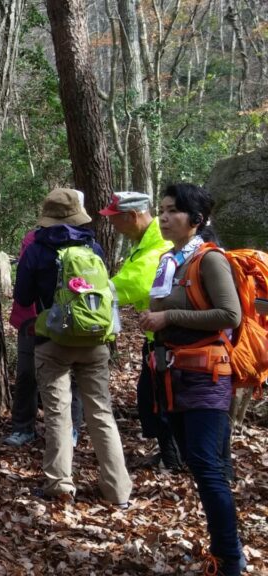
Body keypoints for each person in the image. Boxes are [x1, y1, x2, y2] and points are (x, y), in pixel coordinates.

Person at [140, 183, 246, 575]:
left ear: (196, 220)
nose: (163, 217)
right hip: (173, 374)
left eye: (172, 211)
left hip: (206, 375)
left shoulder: (209, 260)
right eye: (161, 210)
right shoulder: (171, 260)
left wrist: (169, 317)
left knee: (207, 467)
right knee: (196, 464)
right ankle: (226, 547)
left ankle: (229, 560)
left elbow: (229, 315)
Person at [13, 188, 132, 506]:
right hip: (95, 342)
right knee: (101, 414)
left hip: (52, 343)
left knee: (58, 414)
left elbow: (23, 297)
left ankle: (60, 484)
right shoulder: (92, 246)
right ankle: (118, 489)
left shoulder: (37, 250)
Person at [99, 191, 181, 471]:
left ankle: (175, 460)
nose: (113, 227)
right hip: (156, 340)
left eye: (115, 220)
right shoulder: (147, 242)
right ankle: (172, 455)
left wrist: (86, 291)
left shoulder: (158, 248)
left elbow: (125, 286)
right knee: (152, 398)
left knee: (161, 401)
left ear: (132, 216)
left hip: (171, 342)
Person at [4, 225, 86, 448]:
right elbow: (24, 289)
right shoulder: (33, 240)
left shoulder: (87, 241)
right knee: (29, 374)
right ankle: (25, 427)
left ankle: (69, 430)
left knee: (69, 377)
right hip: (37, 319)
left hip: (72, 320)